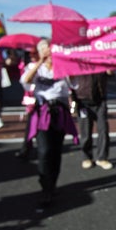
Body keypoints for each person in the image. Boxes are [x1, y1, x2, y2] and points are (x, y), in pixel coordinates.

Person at [21, 39, 78, 210]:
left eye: (50, 50)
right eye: (45, 50)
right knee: (44, 150)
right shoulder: (35, 68)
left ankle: (52, 184)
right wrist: (40, 62)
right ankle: (45, 187)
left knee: (56, 150)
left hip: (59, 111)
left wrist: (67, 66)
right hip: (43, 111)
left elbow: (74, 84)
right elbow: (25, 81)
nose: (48, 53)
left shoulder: (62, 67)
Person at [71, 72, 113, 170]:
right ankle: (87, 157)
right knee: (85, 131)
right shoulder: (78, 61)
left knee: (103, 130)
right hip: (82, 101)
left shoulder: (100, 60)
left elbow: (110, 73)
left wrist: (109, 71)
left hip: (100, 100)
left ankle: (102, 157)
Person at [15, 49, 39, 160]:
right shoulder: (27, 66)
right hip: (32, 101)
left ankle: (39, 150)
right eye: (30, 54)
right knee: (30, 126)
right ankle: (26, 149)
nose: (32, 55)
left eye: (34, 53)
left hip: (43, 101)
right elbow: (25, 81)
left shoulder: (46, 65)